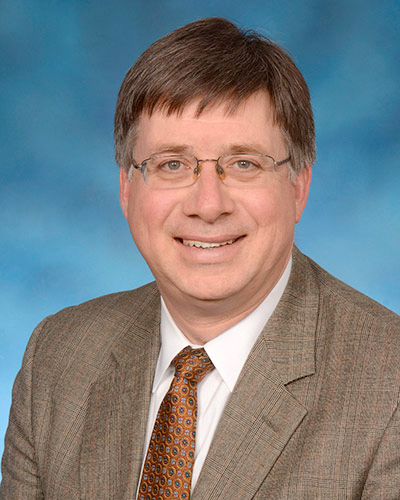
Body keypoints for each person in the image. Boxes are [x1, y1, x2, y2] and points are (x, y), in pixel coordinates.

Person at [1, 17, 399, 500]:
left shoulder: (389, 383)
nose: (208, 205)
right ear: (126, 189)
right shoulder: (57, 358)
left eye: (244, 163)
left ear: (298, 186)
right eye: (172, 164)